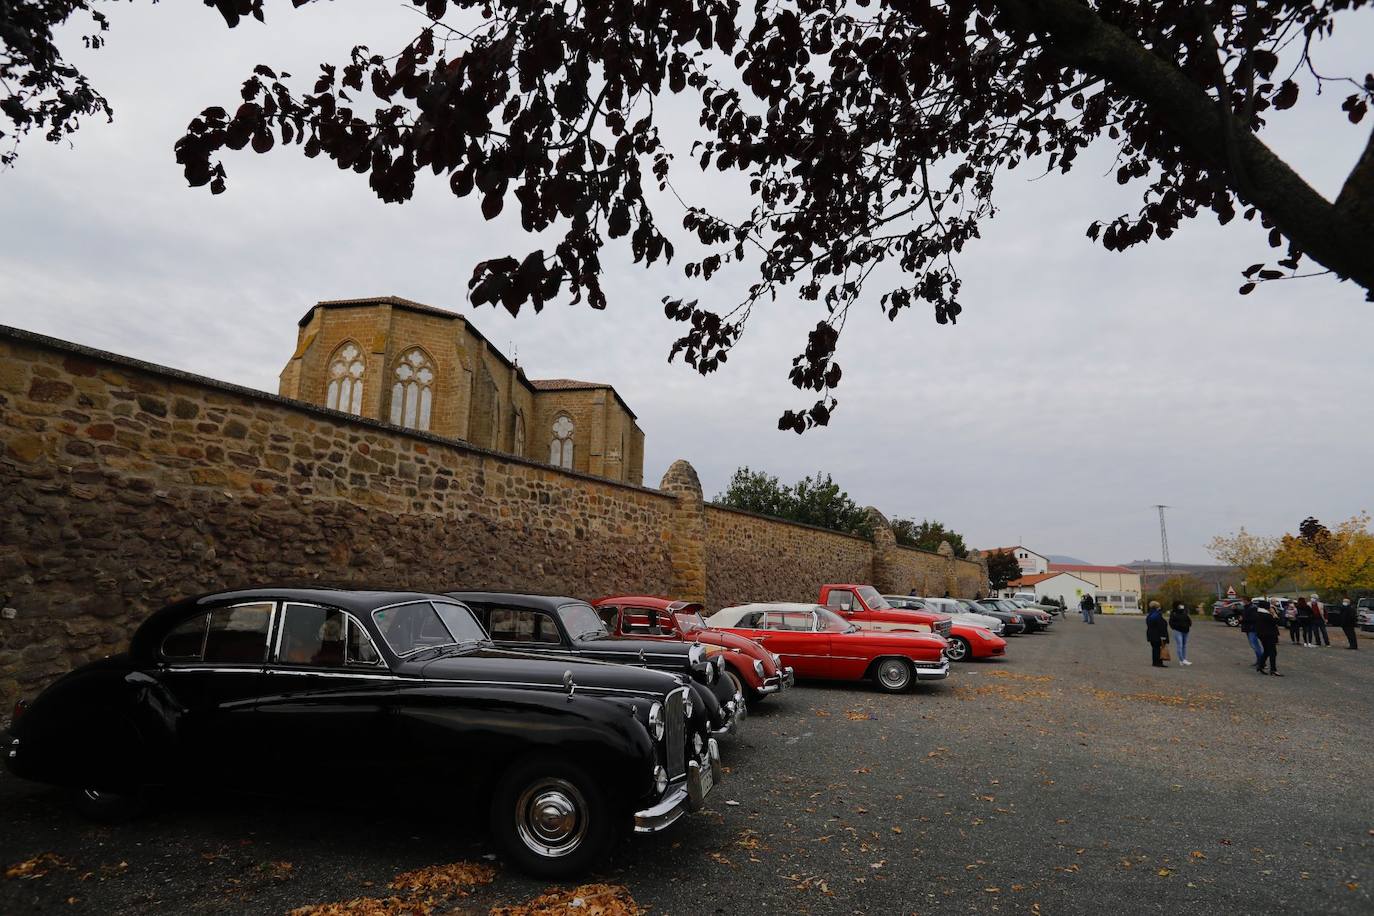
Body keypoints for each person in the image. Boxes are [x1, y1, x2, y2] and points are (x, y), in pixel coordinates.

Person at [1254, 599, 1282, 676]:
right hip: (1270, 635)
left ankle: (1261, 665)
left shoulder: (1257, 614)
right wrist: (1274, 614)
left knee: (1266, 650)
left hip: (1261, 635)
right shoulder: (1267, 615)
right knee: (1273, 652)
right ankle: (1273, 670)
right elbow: (1278, 621)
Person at [1239, 597, 1264, 667]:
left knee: (1255, 646)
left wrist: (1243, 619)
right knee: (1253, 646)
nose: (1242, 602)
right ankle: (1259, 660)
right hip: (1248, 629)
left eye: (1242, 600)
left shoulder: (1252, 608)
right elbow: (1244, 615)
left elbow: (1253, 619)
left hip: (1252, 629)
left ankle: (1262, 662)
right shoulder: (1246, 607)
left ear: (1246, 601)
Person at [1168, 600, 1192, 666]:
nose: (1182, 606)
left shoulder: (1184, 612)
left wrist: (1189, 624)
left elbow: (1188, 620)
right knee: (1180, 645)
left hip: (1185, 630)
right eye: (1180, 605)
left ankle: (1183, 659)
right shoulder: (1173, 613)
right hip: (1177, 630)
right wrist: (1175, 627)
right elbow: (1171, 622)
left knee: (1184, 645)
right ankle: (1182, 659)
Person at [1146, 601, 1169, 667]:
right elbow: (1161, 626)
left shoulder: (1150, 614)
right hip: (1157, 634)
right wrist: (1163, 636)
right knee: (1158, 649)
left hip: (1151, 634)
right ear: (1157, 607)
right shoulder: (1157, 615)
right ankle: (1158, 663)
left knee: (1154, 649)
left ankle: (1155, 662)